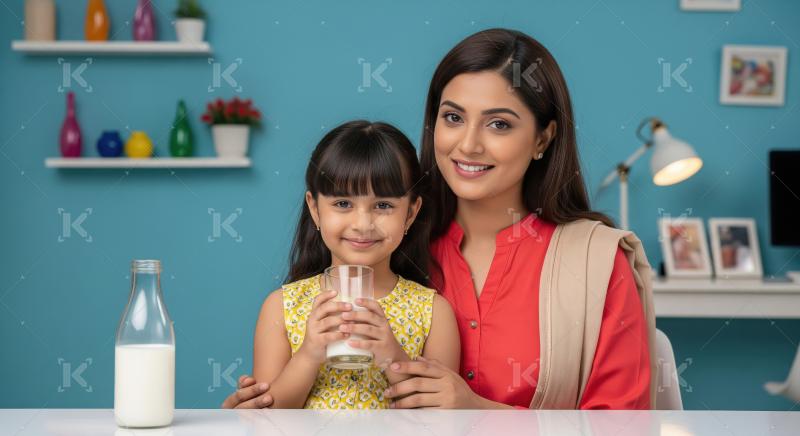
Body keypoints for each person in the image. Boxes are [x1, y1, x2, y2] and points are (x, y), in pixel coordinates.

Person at [223, 28, 655, 410]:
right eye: (452, 117)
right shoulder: (388, 249)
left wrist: (478, 413)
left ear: (543, 137)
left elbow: (625, 426)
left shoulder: (596, 264)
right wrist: (256, 411)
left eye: (499, 125)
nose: (468, 145)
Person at [239, 120, 459, 409]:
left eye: (383, 205)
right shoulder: (282, 307)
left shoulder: (433, 313)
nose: (362, 224)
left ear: (410, 213)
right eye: (343, 203)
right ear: (315, 209)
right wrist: (309, 354)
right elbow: (266, 415)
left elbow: (442, 418)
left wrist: (392, 356)